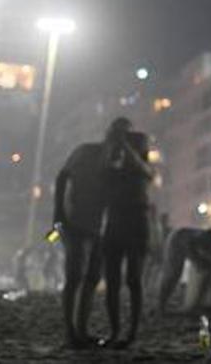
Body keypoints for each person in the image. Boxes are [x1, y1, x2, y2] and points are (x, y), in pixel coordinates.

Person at [52, 132, 109, 346]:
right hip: (75, 221)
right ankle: (70, 331)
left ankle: (81, 330)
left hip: (99, 226)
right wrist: (58, 211)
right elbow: (62, 176)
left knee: (92, 278)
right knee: (74, 276)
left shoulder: (119, 160)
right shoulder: (87, 151)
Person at [101, 121, 154, 348]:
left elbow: (142, 168)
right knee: (112, 281)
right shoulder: (114, 164)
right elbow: (104, 168)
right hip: (116, 221)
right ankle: (115, 331)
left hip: (135, 221)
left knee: (133, 280)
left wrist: (123, 142)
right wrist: (114, 144)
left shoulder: (142, 168)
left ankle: (131, 332)